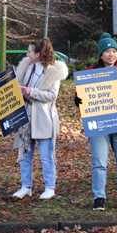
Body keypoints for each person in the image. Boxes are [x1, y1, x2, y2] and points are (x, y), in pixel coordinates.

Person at [74, 33, 117, 210]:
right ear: (100, 54)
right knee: (99, 162)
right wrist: (79, 100)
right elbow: (84, 97)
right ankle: (99, 197)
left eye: (114, 51)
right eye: (107, 51)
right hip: (99, 122)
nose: (111, 54)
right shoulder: (90, 74)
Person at [12, 38, 68, 200]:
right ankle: (25, 186)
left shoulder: (53, 71)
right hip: (25, 117)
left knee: (46, 155)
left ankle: (50, 187)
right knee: (24, 154)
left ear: (38, 54)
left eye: (29, 51)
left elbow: (52, 95)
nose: (27, 54)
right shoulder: (25, 68)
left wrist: (30, 92)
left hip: (44, 119)